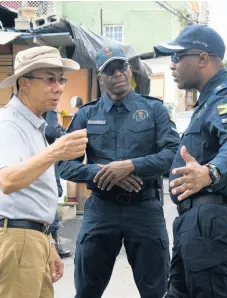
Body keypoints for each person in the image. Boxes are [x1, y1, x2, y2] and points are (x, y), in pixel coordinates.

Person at [58, 45, 180, 298]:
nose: (118, 74)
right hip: (101, 211)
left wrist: (131, 166)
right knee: (86, 290)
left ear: (129, 69)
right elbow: (65, 164)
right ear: (100, 77)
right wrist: (102, 173)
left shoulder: (154, 110)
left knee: (156, 291)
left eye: (121, 67)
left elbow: (173, 154)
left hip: (145, 210)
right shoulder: (86, 115)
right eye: (110, 70)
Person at [154, 25, 227, 298]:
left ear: (202, 58)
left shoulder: (226, 95)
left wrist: (210, 172)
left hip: (212, 220)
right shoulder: (208, 100)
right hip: (196, 222)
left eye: (178, 57)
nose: (172, 65)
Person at [0, 46, 87, 298]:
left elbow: (31, 196)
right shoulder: (10, 124)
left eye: (61, 79)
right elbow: (7, 181)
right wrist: (55, 151)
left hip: (30, 238)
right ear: (24, 83)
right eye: (49, 79)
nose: (58, 87)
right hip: (17, 241)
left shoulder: (32, 124)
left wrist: (47, 240)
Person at [44, 110, 72, 258]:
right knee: (52, 196)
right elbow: (50, 130)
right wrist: (66, 135)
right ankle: (54, 246)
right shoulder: (48, 107)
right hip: (46, 162)